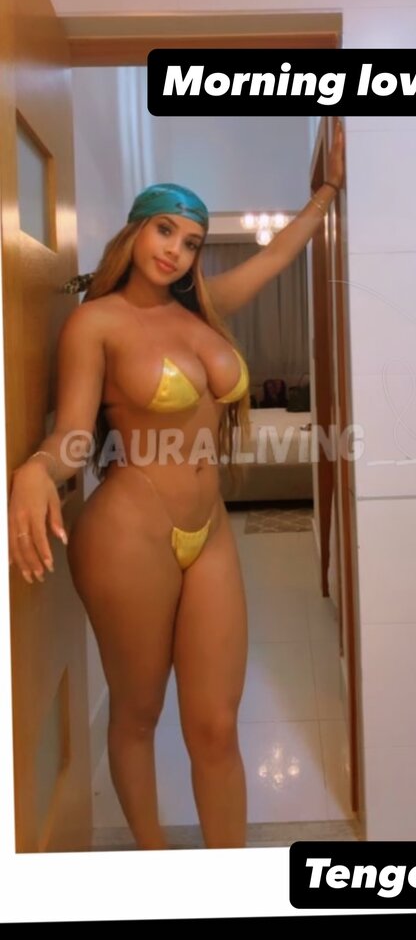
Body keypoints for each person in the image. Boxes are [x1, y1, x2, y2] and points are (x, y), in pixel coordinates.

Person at [7, 119, 345, 851]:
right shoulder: (95, 323)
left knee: (216, 725)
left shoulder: (204, 312)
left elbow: (278, 255)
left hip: (210, 530)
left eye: (191, 241)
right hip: (128, 533)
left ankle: (227, 880)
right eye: (165, 230)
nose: (177, 250)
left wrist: (325, 192)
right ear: (135, 231)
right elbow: (74, 435)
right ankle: (158, 865)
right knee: (137, 714)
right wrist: (36, 469)